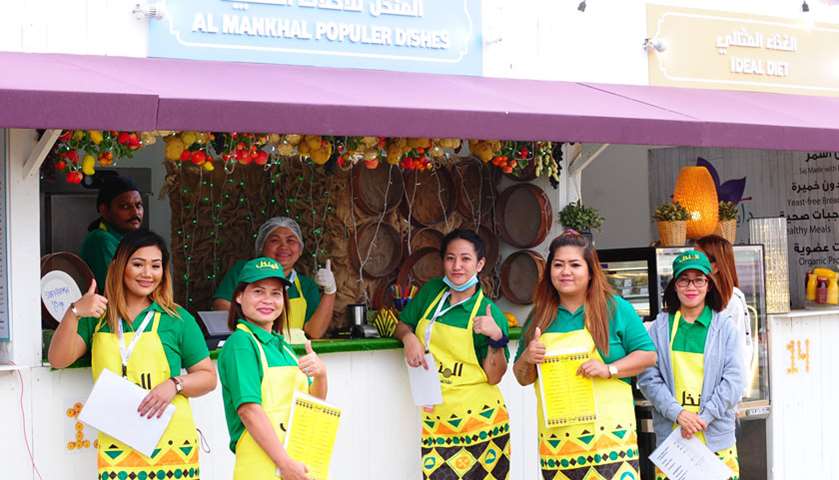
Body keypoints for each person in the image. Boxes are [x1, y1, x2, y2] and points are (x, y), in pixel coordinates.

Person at [49, 229, 216, 480]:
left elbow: (208, 377)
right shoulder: (97, 318)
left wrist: (175, 384)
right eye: (138, 264)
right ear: (119, 266)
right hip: (118, 445)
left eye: (156, 266)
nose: (148, 273)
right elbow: (58, 359)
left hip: (172, 446)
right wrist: (74, 312)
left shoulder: (177, 318)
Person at [512, 231, 657, 480]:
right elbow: (522, 378)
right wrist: (527, 357)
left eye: (575, 265)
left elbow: (648, 355)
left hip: (610, 442)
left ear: (590, 271)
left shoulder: (615, 308)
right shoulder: (540, 315)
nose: (565, 272)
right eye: (558, 265)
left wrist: (609, 369)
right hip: (559, 446)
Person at [395, 229, 511, 480]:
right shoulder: (432, 292)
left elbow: (495, 376)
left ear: (480, 264)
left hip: (481, 423)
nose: (457, 266)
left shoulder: (488, 312)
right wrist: (408, 338)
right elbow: (402, 324)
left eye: (465, 259)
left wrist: (496, 337)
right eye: (450, 258)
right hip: (437, 419)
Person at [218, 257, 328, 479]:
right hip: (264, 468)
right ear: (239, 296)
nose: (268, 300)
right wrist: (284, 463)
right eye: (258, 291)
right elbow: (249, 410)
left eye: (276, 293)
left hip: (294, 465)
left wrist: (321, 375)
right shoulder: (242, 343)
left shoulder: (284, 347)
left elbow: (313, 405)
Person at [638, 251, 745, 480]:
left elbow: (734, 382)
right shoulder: (659, 328)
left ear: (709, 284)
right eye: (684, 280)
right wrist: (679, 414)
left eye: (698, 280)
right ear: (674, 285)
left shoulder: (725, 328)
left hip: (716, 438)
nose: (691, 287)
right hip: (673, 440)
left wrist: (703, 418)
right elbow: (648, 378)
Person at [213, 217, 335, 343]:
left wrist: (330, 291)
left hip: (293, 351)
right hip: (251, 345)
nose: (284, 246)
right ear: (262, 246)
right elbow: (222, 306)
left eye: (291, 240)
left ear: (300, 250)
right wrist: (259, 334)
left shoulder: (306, 285)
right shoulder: (243, 271)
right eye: (275, 240)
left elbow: (314, 332)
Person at [696, 234, 753, 394]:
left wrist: (730, 394)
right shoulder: (704, 297)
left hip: (722, 393)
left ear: (715, 267)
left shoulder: (731, 301)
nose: (693, 262)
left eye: (699, 258)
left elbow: (738, 351)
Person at [80, 175, 144, 292]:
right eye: (125, 206)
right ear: (104, 210)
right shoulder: (100, 240)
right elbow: (118, 291)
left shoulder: (128, 239)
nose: (135, 212)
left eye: (138, 205)